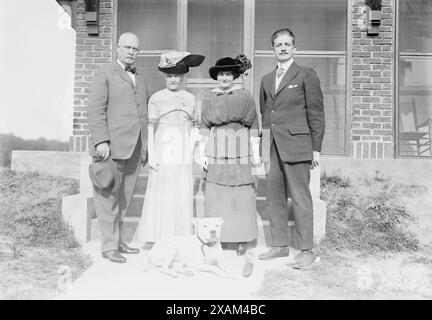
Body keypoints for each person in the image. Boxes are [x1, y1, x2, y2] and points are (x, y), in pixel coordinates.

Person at [258, 28, 325, 268]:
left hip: (298, 146)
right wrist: (263, 152)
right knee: (274, 197)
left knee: (300, 198)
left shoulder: (306, 74)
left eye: (287, 44)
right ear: (273, 49)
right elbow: (266, 116)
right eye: (278, 45)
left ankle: (306, 250)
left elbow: (316, 114)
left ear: (294, 48)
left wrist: (315, 149)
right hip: (273, 148)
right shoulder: (266, 79)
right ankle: (279, 245)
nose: (283, 48)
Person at [87, 32, 149, 263]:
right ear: (117, 48)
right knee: (107, 196)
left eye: (135, 48)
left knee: (124, 198)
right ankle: (108, 246)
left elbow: (143, 115)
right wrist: (101, 140)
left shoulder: (141, 78)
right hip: (110, 148)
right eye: (127, 47)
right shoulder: (104, 73)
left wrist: (145, 146)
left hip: (135, 148)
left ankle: (118, 241)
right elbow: (95, 109)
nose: (131, 52)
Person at [133, 51, 205, 244]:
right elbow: (149, 127)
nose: (173, 80)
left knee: (181, 191)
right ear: (165, 77)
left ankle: (179, 238)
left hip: (182, 148)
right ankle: (159, 237)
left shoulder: (190, 98)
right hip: (163, 146)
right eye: (170, 76)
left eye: (177, 76)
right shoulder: (157, 98)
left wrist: (191, 150)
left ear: (182, 77)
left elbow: (196, 127)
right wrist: (152, 154)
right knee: (161, 192)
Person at [198, 55, 261, 256]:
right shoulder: (208, 97)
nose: (224, 78)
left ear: (234, 76)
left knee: (240, 193)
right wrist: (202, 153)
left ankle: (241, 238)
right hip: (217, 145)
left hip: (239, 144)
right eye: (221, 74)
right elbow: (204, 126)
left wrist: (255, 153)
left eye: (228, 74)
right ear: (217, 76)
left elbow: (253, 124)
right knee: (218, 193)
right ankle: (219, 238)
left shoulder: (245, 96)